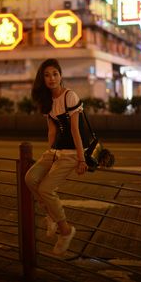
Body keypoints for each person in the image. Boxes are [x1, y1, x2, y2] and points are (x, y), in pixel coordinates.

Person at [25, 58, 88, 256]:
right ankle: (51, 215)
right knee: (30, 178)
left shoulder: (70, 96)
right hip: (56, 151)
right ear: (42, 79)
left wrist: (81, 159)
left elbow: (76, 130)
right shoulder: (47, 101)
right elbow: (51, 131)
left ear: (61, 76)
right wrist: (50, 153)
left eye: (55, 74)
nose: (51, 78)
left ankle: (66, 230)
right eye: (47, 75)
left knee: (46, 188)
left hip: (71, 152)